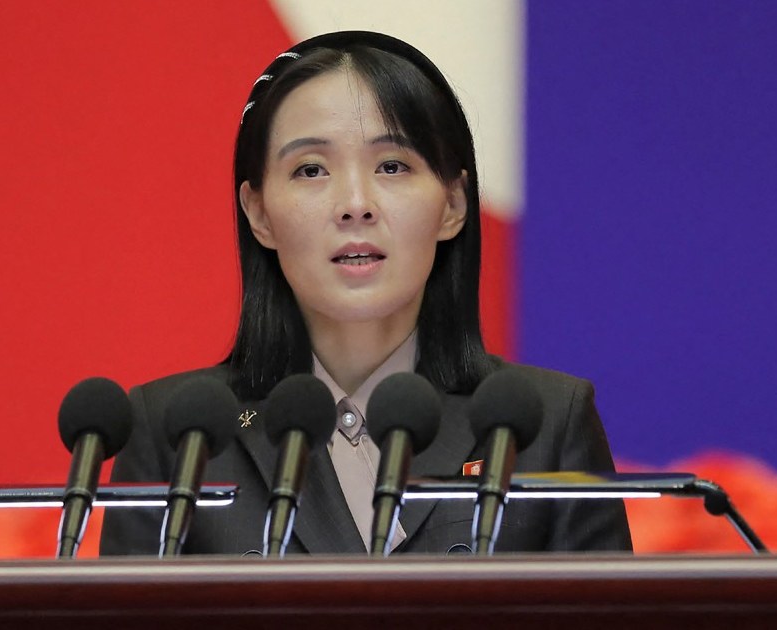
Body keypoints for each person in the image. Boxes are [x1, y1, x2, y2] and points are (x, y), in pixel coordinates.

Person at [100, 31, 632, 556]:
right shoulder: (178, 435)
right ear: (258, 213)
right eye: (311, 170)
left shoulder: (548, 424)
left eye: (392, 166)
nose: (355, 204)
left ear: (453, 204)